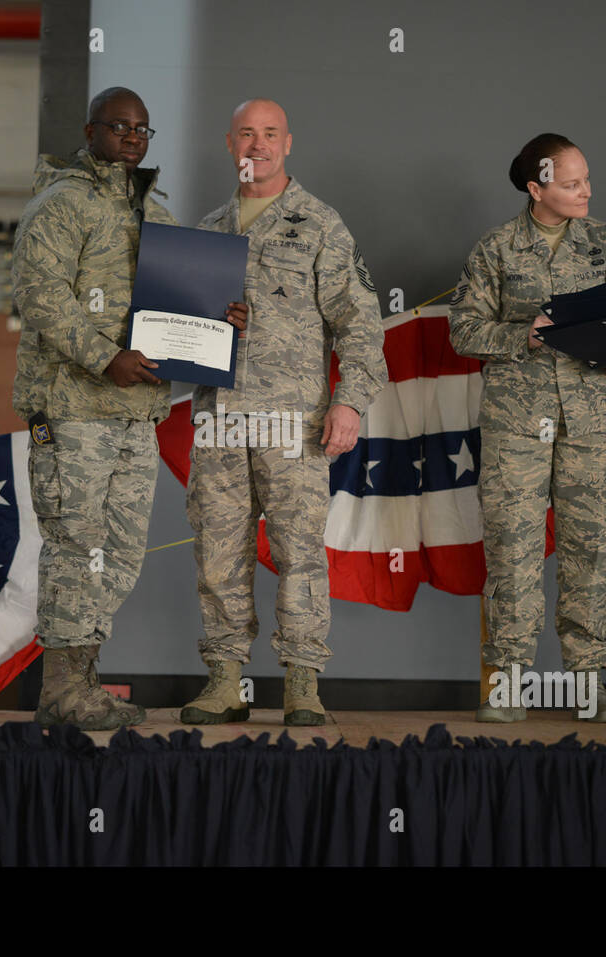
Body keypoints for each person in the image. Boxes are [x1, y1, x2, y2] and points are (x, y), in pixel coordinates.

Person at [180, 98, 387, 726]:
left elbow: (360, 324)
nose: (258, 145)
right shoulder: (208, 229)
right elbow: (174, 331)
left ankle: (302, 681)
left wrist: (350, 401)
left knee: (299, 551)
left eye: (270, 134)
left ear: (287, 144)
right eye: (247, 134)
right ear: (230, 144)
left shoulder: (321, 224)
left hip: (293, 423)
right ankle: (223, 682)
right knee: (218, 552)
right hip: (219, 419)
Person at [449, 133, 606, 724]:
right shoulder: (497, 249)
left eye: (586, 179)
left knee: (591, 551)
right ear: (536, 189)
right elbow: (464, 331)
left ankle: (588, 683)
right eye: (571, 182)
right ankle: (508, 680)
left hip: (591, 421)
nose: (585, 191)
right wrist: (523, 334)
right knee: (514, 551)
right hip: (517, 423)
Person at [10, 86, 180, 730]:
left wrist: (218, 318)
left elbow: (179, 298)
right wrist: (104, 355)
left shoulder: (155, 212)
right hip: (75, 406)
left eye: (142, 129)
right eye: (120, 126)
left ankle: (80, 685)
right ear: (91, 131)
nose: (133, 137)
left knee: (121, 553)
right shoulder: (60, 204)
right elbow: (41, 296)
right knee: (75, 547)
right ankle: (59, 691)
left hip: (136, 412)